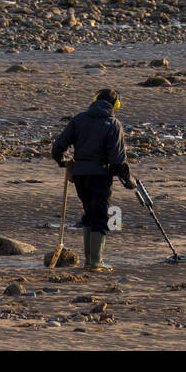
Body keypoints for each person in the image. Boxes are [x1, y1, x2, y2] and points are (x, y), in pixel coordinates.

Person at [51, 88, 135, 271]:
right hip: (100, 176)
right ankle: (95, 262)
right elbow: (118, 159)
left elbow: (58, 147)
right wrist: (128, 180)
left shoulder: (79, 119)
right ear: (115, 105)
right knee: (100, 217)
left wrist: (63, 162)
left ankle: (90, 260)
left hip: (79, 176)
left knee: (89, 213)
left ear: (95, 99)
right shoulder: (113, 124)